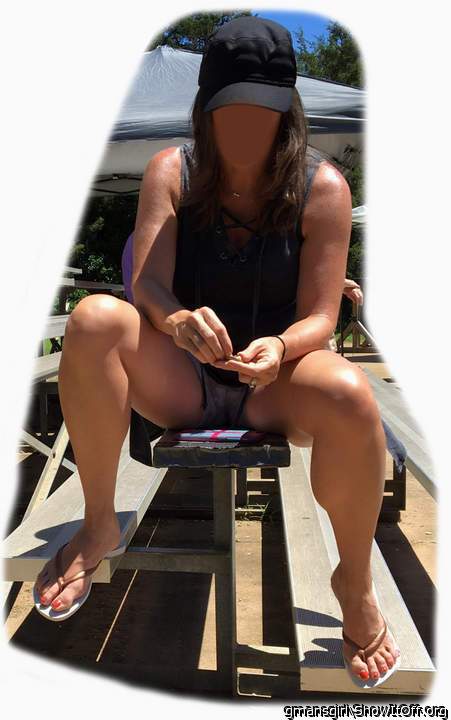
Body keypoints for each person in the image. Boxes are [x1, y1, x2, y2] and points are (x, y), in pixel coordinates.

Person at [33, 16, 402, 688]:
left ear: (286, 111)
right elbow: (147, 283)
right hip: (180, 378)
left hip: (275, 386)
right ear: (205, 109)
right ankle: (98, 523)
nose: (245, 130)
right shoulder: (171, 171)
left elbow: (322, 316)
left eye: (262, 112)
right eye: (231, 111)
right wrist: (176, 321)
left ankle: (353, 577)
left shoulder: (322, 188)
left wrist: (279, 345)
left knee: (352, 393)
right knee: (93, 318)